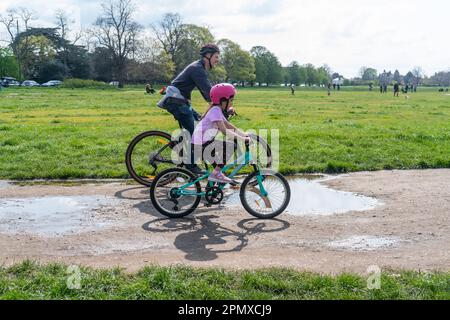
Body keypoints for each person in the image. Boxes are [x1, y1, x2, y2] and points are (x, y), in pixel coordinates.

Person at [157, 44, 221, 175]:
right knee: (196, 134)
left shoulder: (198, 67)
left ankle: (179, 145)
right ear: (208, 56)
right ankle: (191, 166)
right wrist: (220, 104)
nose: (217, 60)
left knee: (198, 122)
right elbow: (208, 91)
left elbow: (207, 89)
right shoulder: (197, 69)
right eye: (216, 56)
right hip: (176, 102)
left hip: (180, 100)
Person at [192, 83, 250, 184]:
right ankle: (216, 175)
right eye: (231, 100)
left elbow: (228, 125)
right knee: (231, 146)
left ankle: (212, 190)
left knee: (217, 170)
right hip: (201, 145)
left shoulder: (217, 110)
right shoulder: (215, 111)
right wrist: (242, 139)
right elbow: (224, 131)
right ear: (223, 100)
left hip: (204, 143)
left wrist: (243, 134)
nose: (232, 103)